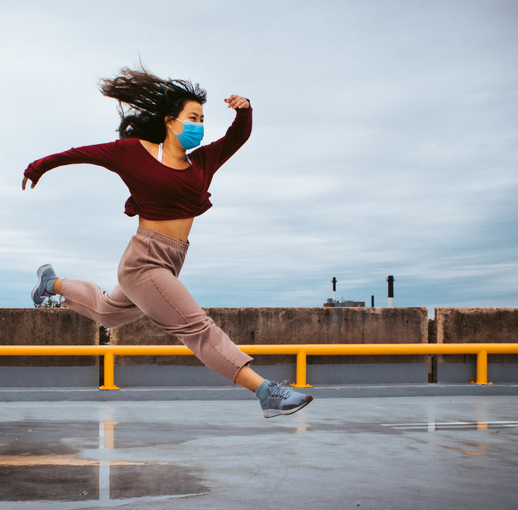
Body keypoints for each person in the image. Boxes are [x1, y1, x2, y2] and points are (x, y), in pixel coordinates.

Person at [21, 66, 311, 418]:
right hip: (144, 261)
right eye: (193, 117)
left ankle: (52, 283)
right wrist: (39, 166)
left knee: (107, 313)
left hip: (173, 259)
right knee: (197, 328)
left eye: (203, 119)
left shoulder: (202, 162)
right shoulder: (135, 152)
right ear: (171, 121)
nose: (199, 125)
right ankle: (267, 392)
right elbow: (81, 153)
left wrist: (245, 110)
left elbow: (238, 137)